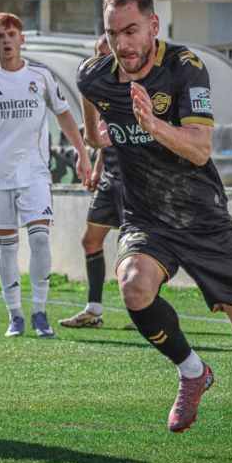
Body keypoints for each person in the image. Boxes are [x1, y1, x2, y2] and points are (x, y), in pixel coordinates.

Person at [77, 0, 232, 450]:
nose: (122, 44)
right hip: (147, 219)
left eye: (131, 31)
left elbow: (200, 150)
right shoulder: (93, 76)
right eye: (113, 34)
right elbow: (94, 131)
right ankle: (193, 371)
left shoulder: (185, 68)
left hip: (203, 218)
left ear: (153, 26)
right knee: (133, 285)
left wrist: (151, 125)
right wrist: (94, 142)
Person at [0, 12, 93, 338]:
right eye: (0, 36)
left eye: (11, 34)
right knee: (7, 247)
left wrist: (83, 153)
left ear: (22, 39)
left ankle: (40, 312)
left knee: (40, 238)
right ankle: (15, 315)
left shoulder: (41, 76)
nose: (6, 41)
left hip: (35, 173)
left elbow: (64, 114)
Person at [59, 34, 136, 331]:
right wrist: (95, 171)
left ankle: (145, 313)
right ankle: (93, 310)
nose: (103, 59)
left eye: (108, 54)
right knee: (90, 239)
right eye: (99, 54)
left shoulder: (135, 86)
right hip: (109, 177)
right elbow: (105, 137)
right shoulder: (99, 88)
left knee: (135, 248)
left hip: (134, 179)